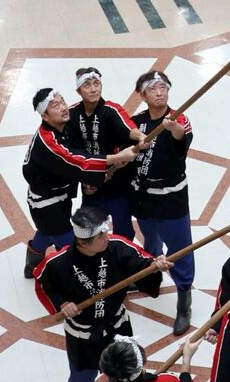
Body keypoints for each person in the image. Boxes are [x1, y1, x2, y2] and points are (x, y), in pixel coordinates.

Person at [34, 204, 154, 382]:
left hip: (116, 326)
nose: (106, 237)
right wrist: (62, 304)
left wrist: (154, 266)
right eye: (101, 235)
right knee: (81, 377)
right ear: (82, 242)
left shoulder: (116, 246)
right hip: (83, 334)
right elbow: (44, 283)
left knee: (124, 370)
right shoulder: (58, 263)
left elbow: (142, 260)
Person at [21, 86, 138, 279]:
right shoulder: (48, 142)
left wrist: (97, 173)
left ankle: (31, 264)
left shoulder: (64, 128)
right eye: (55, 105)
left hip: (60, 196)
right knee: (69, 247)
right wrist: (115, 158)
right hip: (46, 203)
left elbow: (81, 154)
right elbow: (78, 161)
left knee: (47, 231)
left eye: (63, 102)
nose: (63, 107)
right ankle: (77, 282)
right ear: (45, 116)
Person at [125, 68, 196, 337]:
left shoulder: (178, 119)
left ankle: (184, 296)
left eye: (163, 87)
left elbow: (181, 138)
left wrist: (173, 127)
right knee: (150, 241)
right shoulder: (137, 121)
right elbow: (127, 148)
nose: (159, 92)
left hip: (171, 198)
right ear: (142, 94)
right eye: (152, 88)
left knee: (179, 248)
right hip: (143, 197)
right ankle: (149, 276)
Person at [66, 64, 139, 237]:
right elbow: (72, 152)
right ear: (78, 90)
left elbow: (128, 127)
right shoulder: (72, 114)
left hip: (117, 184)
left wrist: (141, 137)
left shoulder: (111, 110)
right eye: (87, 85)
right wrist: (84, 180)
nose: (93, 89)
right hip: (91, 185)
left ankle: (123, 261)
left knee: (124, 232)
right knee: (88, 231)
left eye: (96, 84)